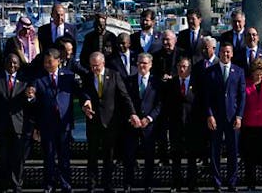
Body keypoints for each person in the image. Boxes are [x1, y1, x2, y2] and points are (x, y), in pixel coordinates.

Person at [27, 49, 80, 193]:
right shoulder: (38, 78)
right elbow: (33, 101)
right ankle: (49, 184)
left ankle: (65, 183)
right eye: (45, 62)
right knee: (49, 156)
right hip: (47, 123)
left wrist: (87, 101)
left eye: (50, 62)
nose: (47, 65)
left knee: (64, 157)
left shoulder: (68, 76)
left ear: (58, 61)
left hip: (64, 123)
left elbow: (79, 92)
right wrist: (30, 96)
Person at [81, 51, 134, 193]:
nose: (94, 69)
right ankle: (91, 184)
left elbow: (124, 96)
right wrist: (85, 102)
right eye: (92, 66)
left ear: (103, 63)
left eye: (97, 66)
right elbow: (84, 93)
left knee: (108, 156)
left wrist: (132, 114)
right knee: (92, 156)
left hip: (110, 122)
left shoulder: (114, 75)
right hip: (93, 121)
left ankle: (107, 184)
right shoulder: (87, 76)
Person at [204, 43, 245, 192]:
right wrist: (210, 115)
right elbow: (206, 97)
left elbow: (242, 96)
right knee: (215, 151)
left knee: (233, 151)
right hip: (216, 118)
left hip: (233, 118)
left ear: (232, 54)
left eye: (228, 52)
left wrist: (239, 116)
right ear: (218, 53)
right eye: (223, 52)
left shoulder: (239, 72)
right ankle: (216, 182)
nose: (225, 55)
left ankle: (232, 182)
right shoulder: (210, 72)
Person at [0, 53, 31, 193]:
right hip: (1, 125)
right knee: (3, 158)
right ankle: (3, 185)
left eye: (15, 63)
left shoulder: (25, 80)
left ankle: (17, 185)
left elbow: (30, 104)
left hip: (19, 125)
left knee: (18, 159)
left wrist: (30, 98)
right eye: (9, 62)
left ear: (19, 64)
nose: (12, 66)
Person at [124, 52, 162, 193]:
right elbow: (125, 100)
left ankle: (148, 184)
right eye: (139, 62)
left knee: (149, 157)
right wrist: (132, 115)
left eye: (145, 63)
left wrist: (149, 118)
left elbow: (160, 104)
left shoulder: (156, 82)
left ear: (150, 65)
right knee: (129, 156)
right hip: (132, 124)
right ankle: (128, 183)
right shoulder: (129, 81)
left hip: (149, 126)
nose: (142, 65)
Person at [165, 57, 200, 192]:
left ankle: (192, 184)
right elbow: (167, 104)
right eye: (180, 66)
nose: (181, 69)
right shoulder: (172, 83)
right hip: (176, 125)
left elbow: (199, 104)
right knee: (176, 157)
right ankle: (177, 184)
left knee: (192, 157)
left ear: (189, 68)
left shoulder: (196, 83)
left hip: (192, 125)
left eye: (184, 66)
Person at [239, 57, 262, 191]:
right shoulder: (245, 84)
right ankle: (251, 182)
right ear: (252, 72)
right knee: (249, 156)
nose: (260, 75)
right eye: (257, 72)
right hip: (249, 125)